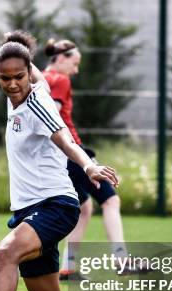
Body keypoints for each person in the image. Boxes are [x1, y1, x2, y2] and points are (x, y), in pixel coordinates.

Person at [0, 31, 118, 291]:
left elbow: (64, 139)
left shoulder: (38, 102)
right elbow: (21, 66)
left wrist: (88, 165)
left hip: (57, 205)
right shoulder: (17, 93)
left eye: (19, 77)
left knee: (5, 254)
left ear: (29, 73)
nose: (12, 84)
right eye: (4, 78)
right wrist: (13, 43)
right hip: (29, 212)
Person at [42, 38, 127, 278]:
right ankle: (122, 261)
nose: (76, 70)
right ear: (61, 58)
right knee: (110, 200)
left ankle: (68, 265)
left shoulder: (39, 79)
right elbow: (53, 114)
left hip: (57, 153)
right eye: (75, 63)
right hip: (72, 150)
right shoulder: (59, 79)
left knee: (84, 206)